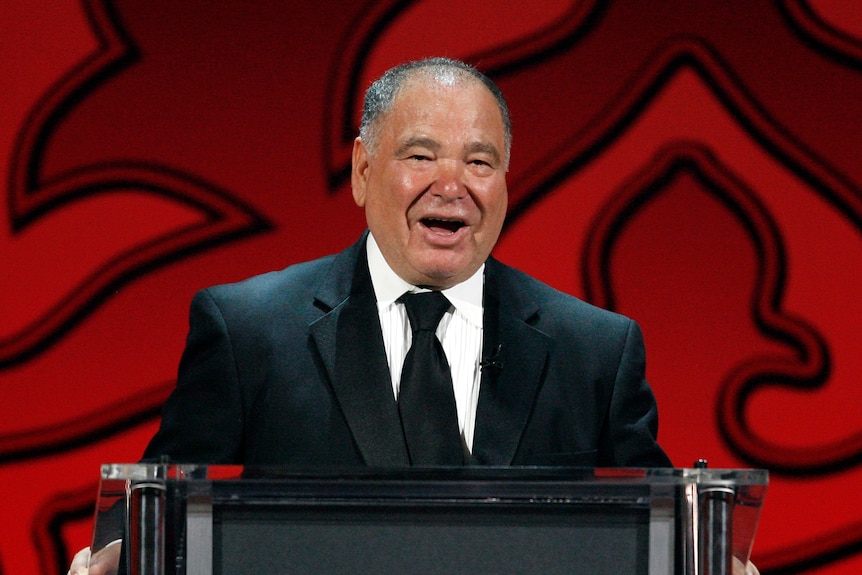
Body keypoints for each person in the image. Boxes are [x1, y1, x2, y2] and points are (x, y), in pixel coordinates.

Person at [70, 57, 759, 575]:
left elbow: (661, 532)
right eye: (421, 154)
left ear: (507, 185)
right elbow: (153, 528)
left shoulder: (595, 350)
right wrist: (115, 558)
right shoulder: (248, 330)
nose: (451, 183)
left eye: (480, 161)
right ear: (364, 171)